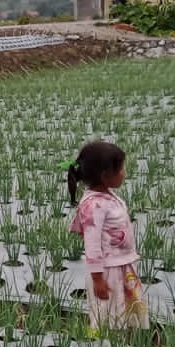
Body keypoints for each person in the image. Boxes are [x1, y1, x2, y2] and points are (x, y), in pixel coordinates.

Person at [67, 140, 148, 329]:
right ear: (105, 176)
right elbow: (92, 245)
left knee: (126, 311)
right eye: (120, 169)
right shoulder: (93, 206)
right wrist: (98, 280)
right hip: (108, 272)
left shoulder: (106, 195)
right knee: (110, 314)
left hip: (122, 266)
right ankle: (109, 343)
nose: (124, 172)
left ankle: (125, 338)